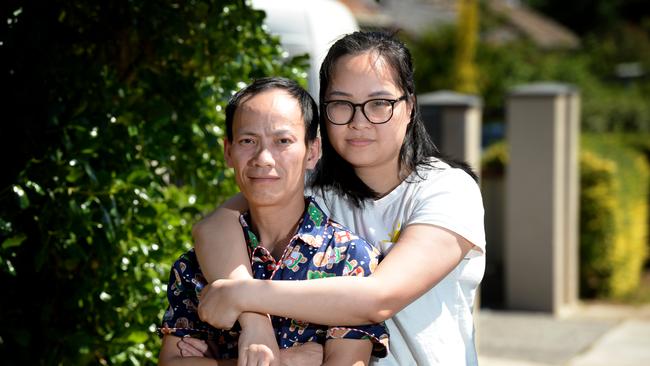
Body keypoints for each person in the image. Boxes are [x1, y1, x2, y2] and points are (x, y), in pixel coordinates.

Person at [195, 31, 486, 366]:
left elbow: (380, 297)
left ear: (409, 108)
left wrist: (241, 294)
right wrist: (255, 320)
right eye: (342, 105)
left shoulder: (446, 190)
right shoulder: (316, 192)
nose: (359, 121)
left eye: (379, 103)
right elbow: (215, 226)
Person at [157, 77, 388, 366]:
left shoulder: (348, 259)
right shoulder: (198, 264)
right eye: (247, 141)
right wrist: (291, 360)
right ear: (228, 151)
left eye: (283, 141)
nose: (263, 158)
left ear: (312, 151)